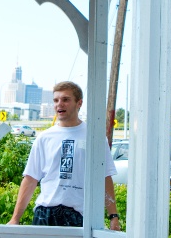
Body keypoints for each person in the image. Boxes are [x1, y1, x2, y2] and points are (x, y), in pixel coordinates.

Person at [7, 81, 121, 231]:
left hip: (81, 216)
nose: (59, 104)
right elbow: (30, 178)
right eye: (56, 100)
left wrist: (113, 216)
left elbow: (104, 176)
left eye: (65, 99)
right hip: (45, 214)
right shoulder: (44, 137)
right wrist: (15, 219)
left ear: (79, 103)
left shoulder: (95, 136)